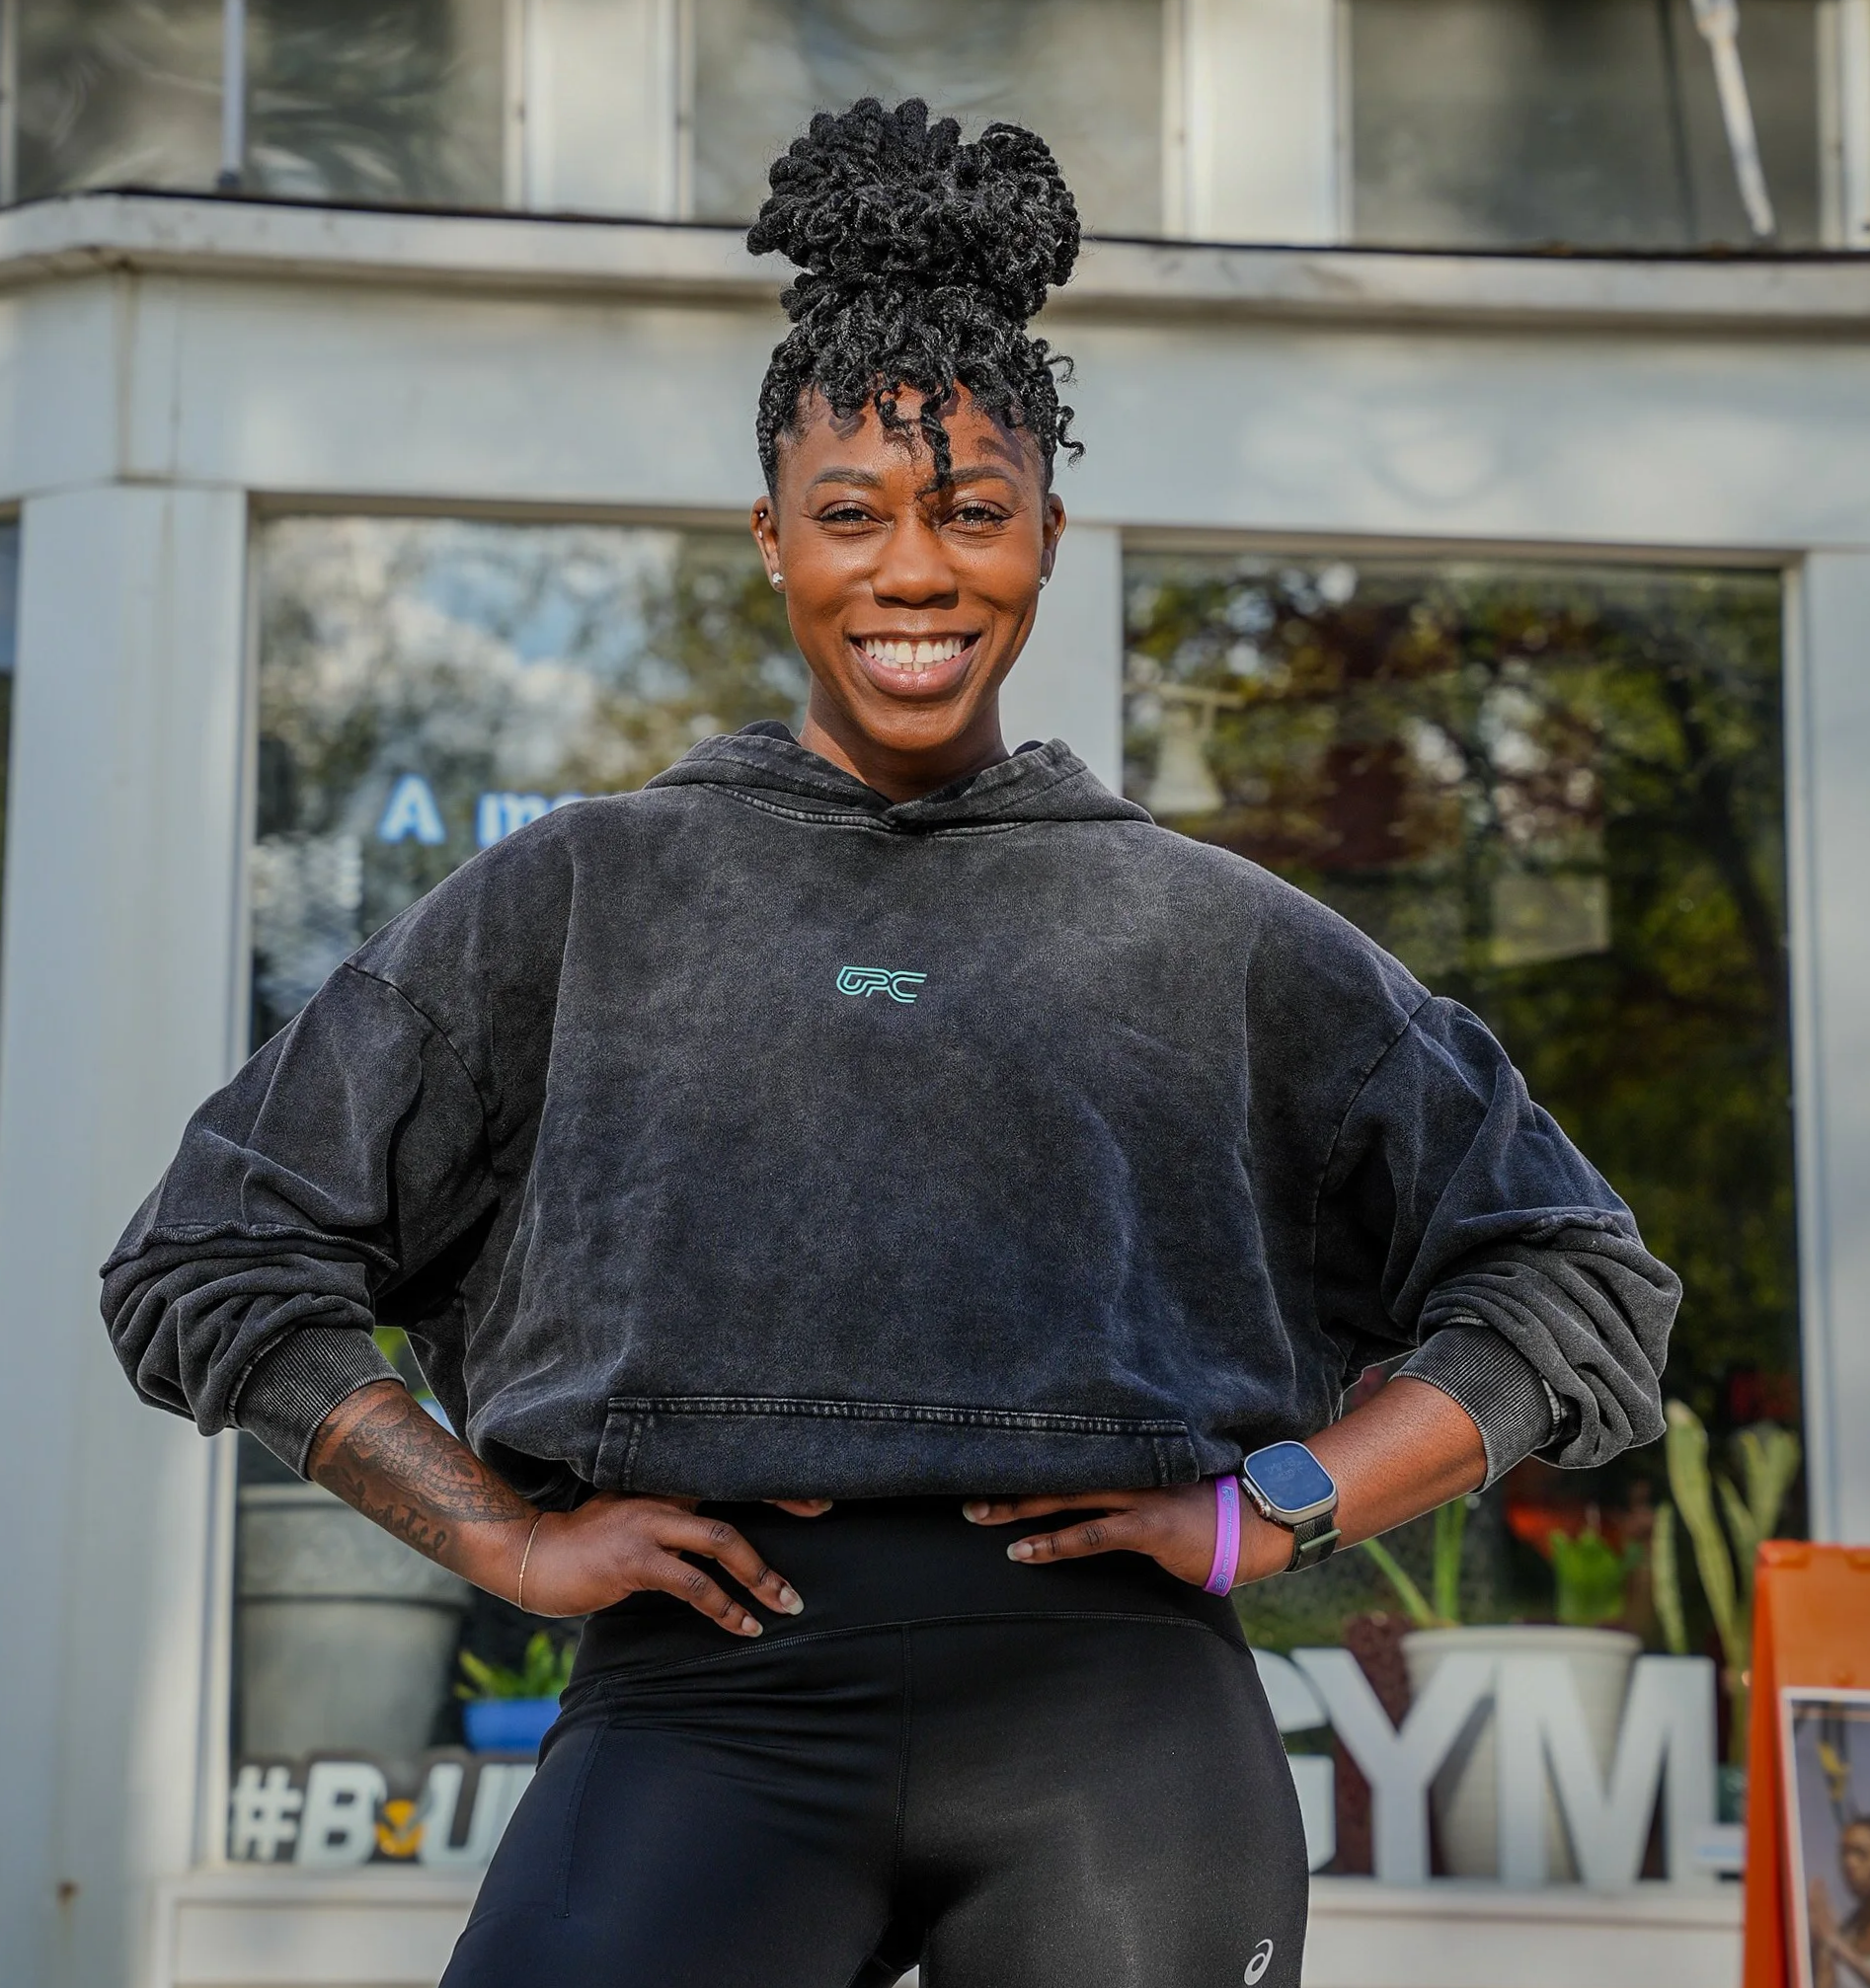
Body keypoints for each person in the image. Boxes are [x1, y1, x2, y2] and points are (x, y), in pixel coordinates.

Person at [102, 99, 1678, 1987]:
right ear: (770, 538)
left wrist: (1266, 1510)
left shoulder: (1221, 934)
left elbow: (1573, 1277)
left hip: (1117, 1728)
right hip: (702, 1704)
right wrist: (507, 1544)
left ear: (1045, 534)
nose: (912, 571)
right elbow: (208, 1250)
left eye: (970, 510)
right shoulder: (581, 894)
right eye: (850, 514)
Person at [1813, 1817, 1870, 1988]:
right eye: (1844, 1853)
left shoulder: (1840, 1938)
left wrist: (1842, 1950)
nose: (1849, 1863)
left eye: (1859, 1853)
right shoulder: (1847, 1928)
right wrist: (1823, 1948)